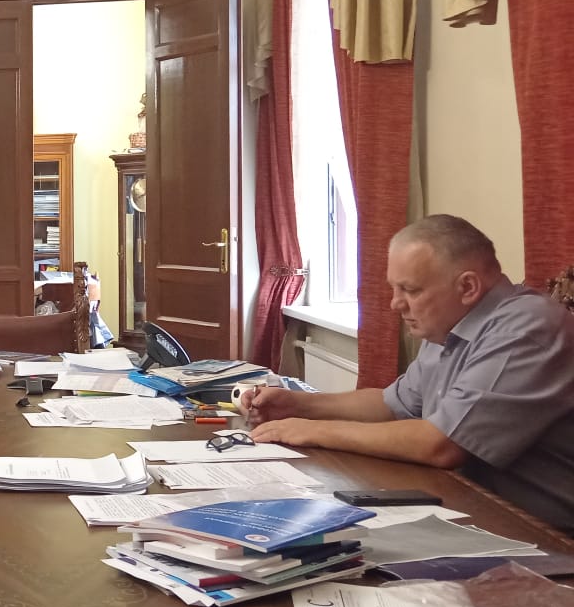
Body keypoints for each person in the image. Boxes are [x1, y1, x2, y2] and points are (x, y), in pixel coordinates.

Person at [246, 214, 574, 530]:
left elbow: (441, 444)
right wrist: (297, 405)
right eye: (394, 289)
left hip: (544, 532)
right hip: (469, 503)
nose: (395, 304)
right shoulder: (448, 323)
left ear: (468, 287)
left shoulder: (527, 328)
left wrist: (311, 431)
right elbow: (393, 404)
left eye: (411, 290)